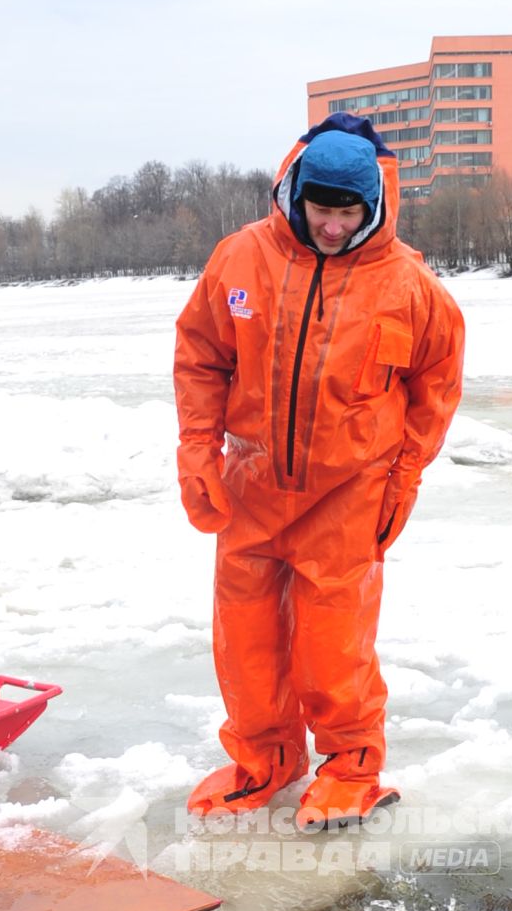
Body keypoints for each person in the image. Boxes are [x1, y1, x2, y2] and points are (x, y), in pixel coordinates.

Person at [175, 113, 465, 832]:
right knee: (244, 641)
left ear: (370, 207)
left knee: (333, 649)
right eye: (320, 208)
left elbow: (435, 390)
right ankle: (262, 759)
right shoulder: (239, 258)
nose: (331, 226)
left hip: (349, 492)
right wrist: (196, 451)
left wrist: (402, 482)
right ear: (295, 192)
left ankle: (350, 768)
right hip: (251, 484)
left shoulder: (410, 285)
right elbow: (201, 358)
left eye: (346, 213)